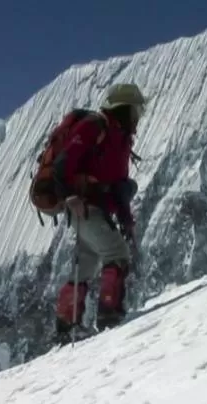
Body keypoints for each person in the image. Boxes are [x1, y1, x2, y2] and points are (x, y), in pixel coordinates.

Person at [52, 82, 146, 338]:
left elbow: (118, 186)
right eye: (136, 110)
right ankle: (109, 314)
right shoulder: (95, 127)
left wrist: (127, 220)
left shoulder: (121, 138)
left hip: (94, 208)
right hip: (85, 206)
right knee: (117, 254)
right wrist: (70, 196)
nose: (139, 117)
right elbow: (62, 167)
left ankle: (65, 326)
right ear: (124, 109)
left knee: (87, 263)